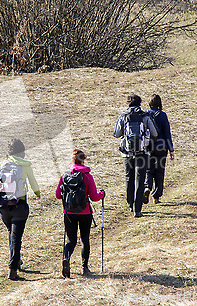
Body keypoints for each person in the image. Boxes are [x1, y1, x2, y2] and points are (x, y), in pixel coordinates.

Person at [0, 138, 40, 281]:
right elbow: (33, 183)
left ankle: (17, 259)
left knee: (12, 234)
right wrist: (38, 194)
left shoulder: (2, 165)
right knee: (16, 238)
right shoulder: (25, 166)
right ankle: (13, 269)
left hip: (3, 208)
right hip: (19, 206)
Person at [56, 149, 105, 278]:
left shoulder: (65, 176)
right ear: (83, 160)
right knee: (85, 239)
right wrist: (102, 194)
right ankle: (85, 267)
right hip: (85, 213)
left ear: (72, 160)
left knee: (71, 240)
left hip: (69, 213)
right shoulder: (87, 176)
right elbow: (94, 197)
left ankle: (66, 258)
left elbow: (57, 195)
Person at [113, 94, 158, 217]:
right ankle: (137, 210)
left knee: (129, 178)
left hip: (127, 154)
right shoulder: (145, 116)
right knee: (140, 179)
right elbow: (154, 133)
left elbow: (116, 134)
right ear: (140, 104)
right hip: (142, 153)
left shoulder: (123, 116)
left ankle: (130, 204)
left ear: (128, 104)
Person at [144, 94, 175, 204]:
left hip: (148, 147)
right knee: (159, 171)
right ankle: (156, 196)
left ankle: (147, 187)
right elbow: (167, 133)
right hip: (161, 147)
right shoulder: (163, 115)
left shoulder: (145, 114)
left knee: (148, 169)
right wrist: (171, 149)